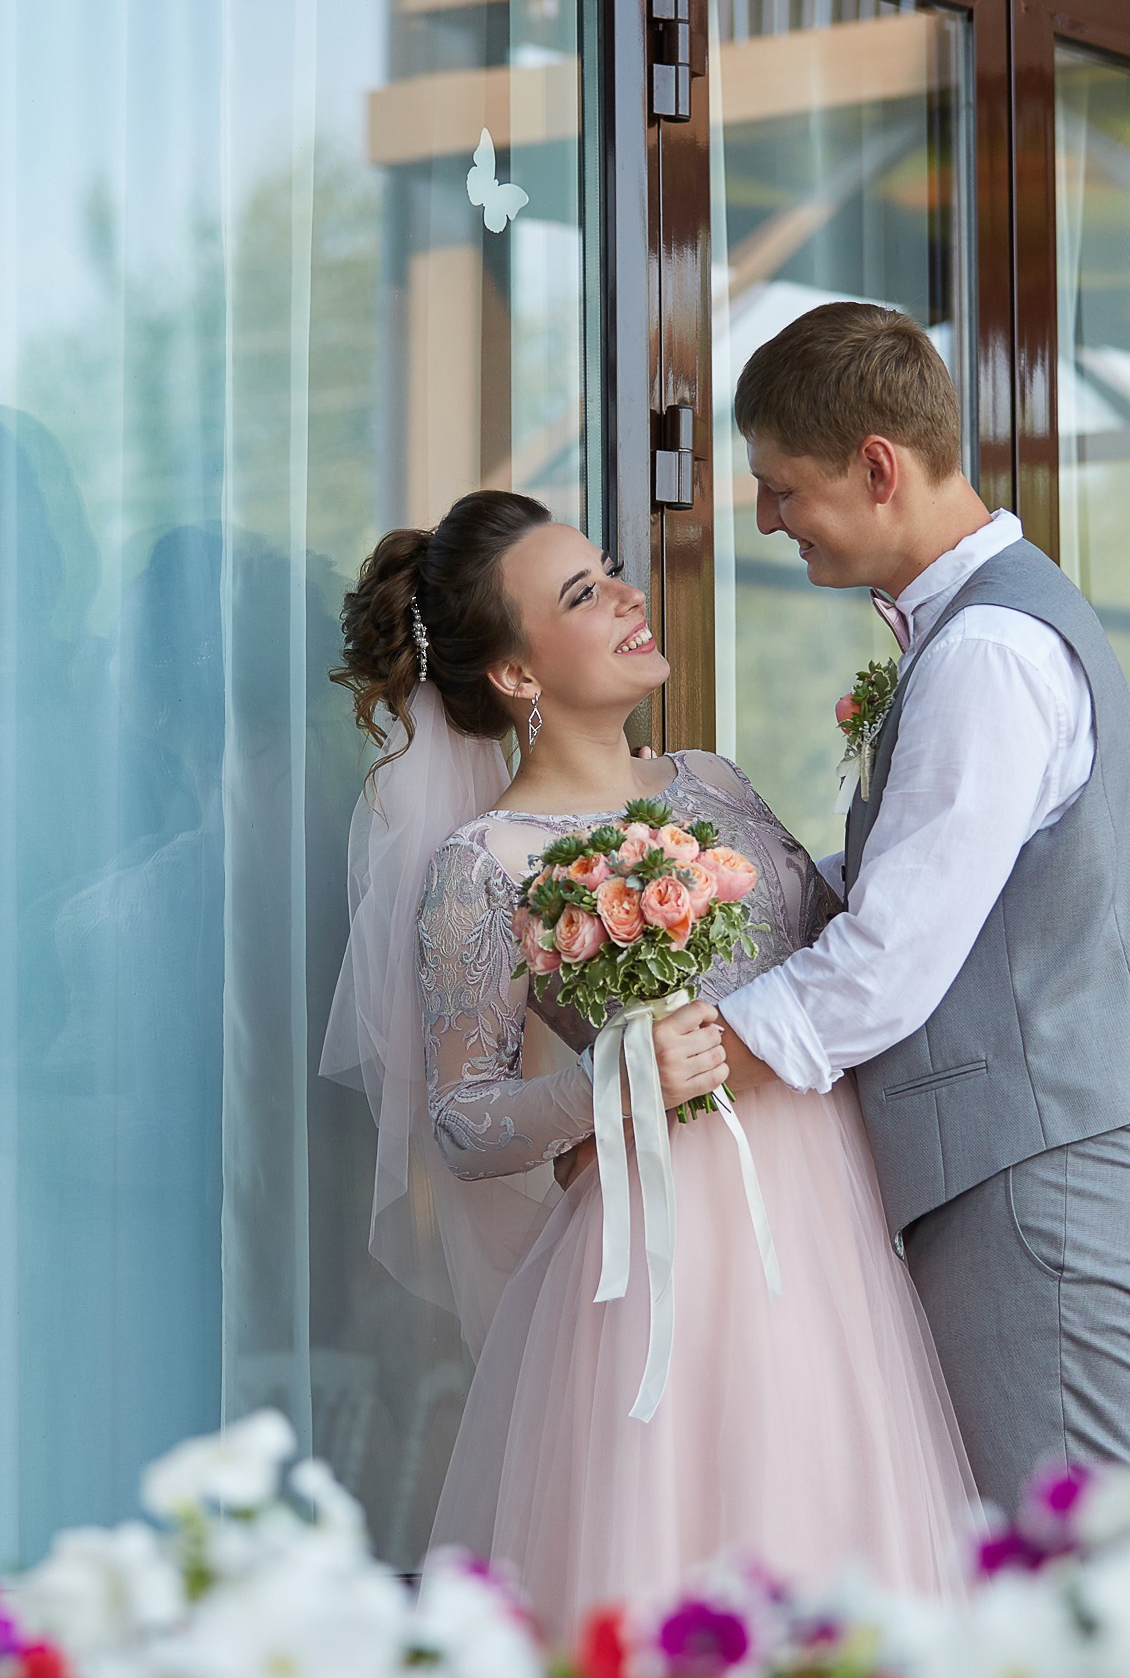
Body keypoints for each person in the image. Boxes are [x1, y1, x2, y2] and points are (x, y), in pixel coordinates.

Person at [321, 488, 975, 1633]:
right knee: (681, 1560)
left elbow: (841, 952)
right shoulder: (485, 864)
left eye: (611, 569)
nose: (628, 596)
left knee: (845, 1547)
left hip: (832, 1233)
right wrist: (608, 1084)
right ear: (516, 673)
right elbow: (463, 1122)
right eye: (583, 594)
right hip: (662, 1261)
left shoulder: (713, 781)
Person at [685, 301, 1130, 1517]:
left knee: (1070, 1574)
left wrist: (683, 1064)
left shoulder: (987, 654)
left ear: (878, 468)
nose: (764, 519)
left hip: (1039, 1182)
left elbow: (888, 961)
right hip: (1036, 1173)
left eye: (781, 487)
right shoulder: (979, 629)